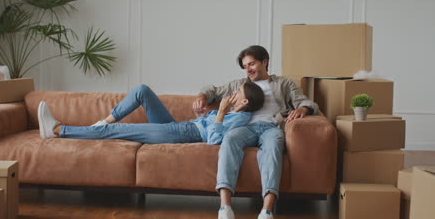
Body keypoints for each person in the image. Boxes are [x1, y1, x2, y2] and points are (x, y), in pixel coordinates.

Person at [193, 45, 319, 219]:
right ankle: (225, 210)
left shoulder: (284, 84)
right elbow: (212, 90)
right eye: (245, 66)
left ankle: (266, 212)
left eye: (251, 64)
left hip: (271, 127)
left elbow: (306, 102)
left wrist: (303, 109)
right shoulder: (239, 84)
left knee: (273, 147)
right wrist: (202, 96)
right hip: (245, 128)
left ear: (265, 61)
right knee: (229, 139)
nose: (248, 69)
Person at [37, 82, 265, 146]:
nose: (233, 93)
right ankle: (101, 122)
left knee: (118, 130)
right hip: (182, 127)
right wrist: (207, 113)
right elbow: (210, 125)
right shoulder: (237, 113)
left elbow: (214, 140)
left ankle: (57, 130)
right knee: (142, 91)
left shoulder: (242, 120)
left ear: (244, 101)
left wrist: (221, 112)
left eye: (238, 92)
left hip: (183, 135)